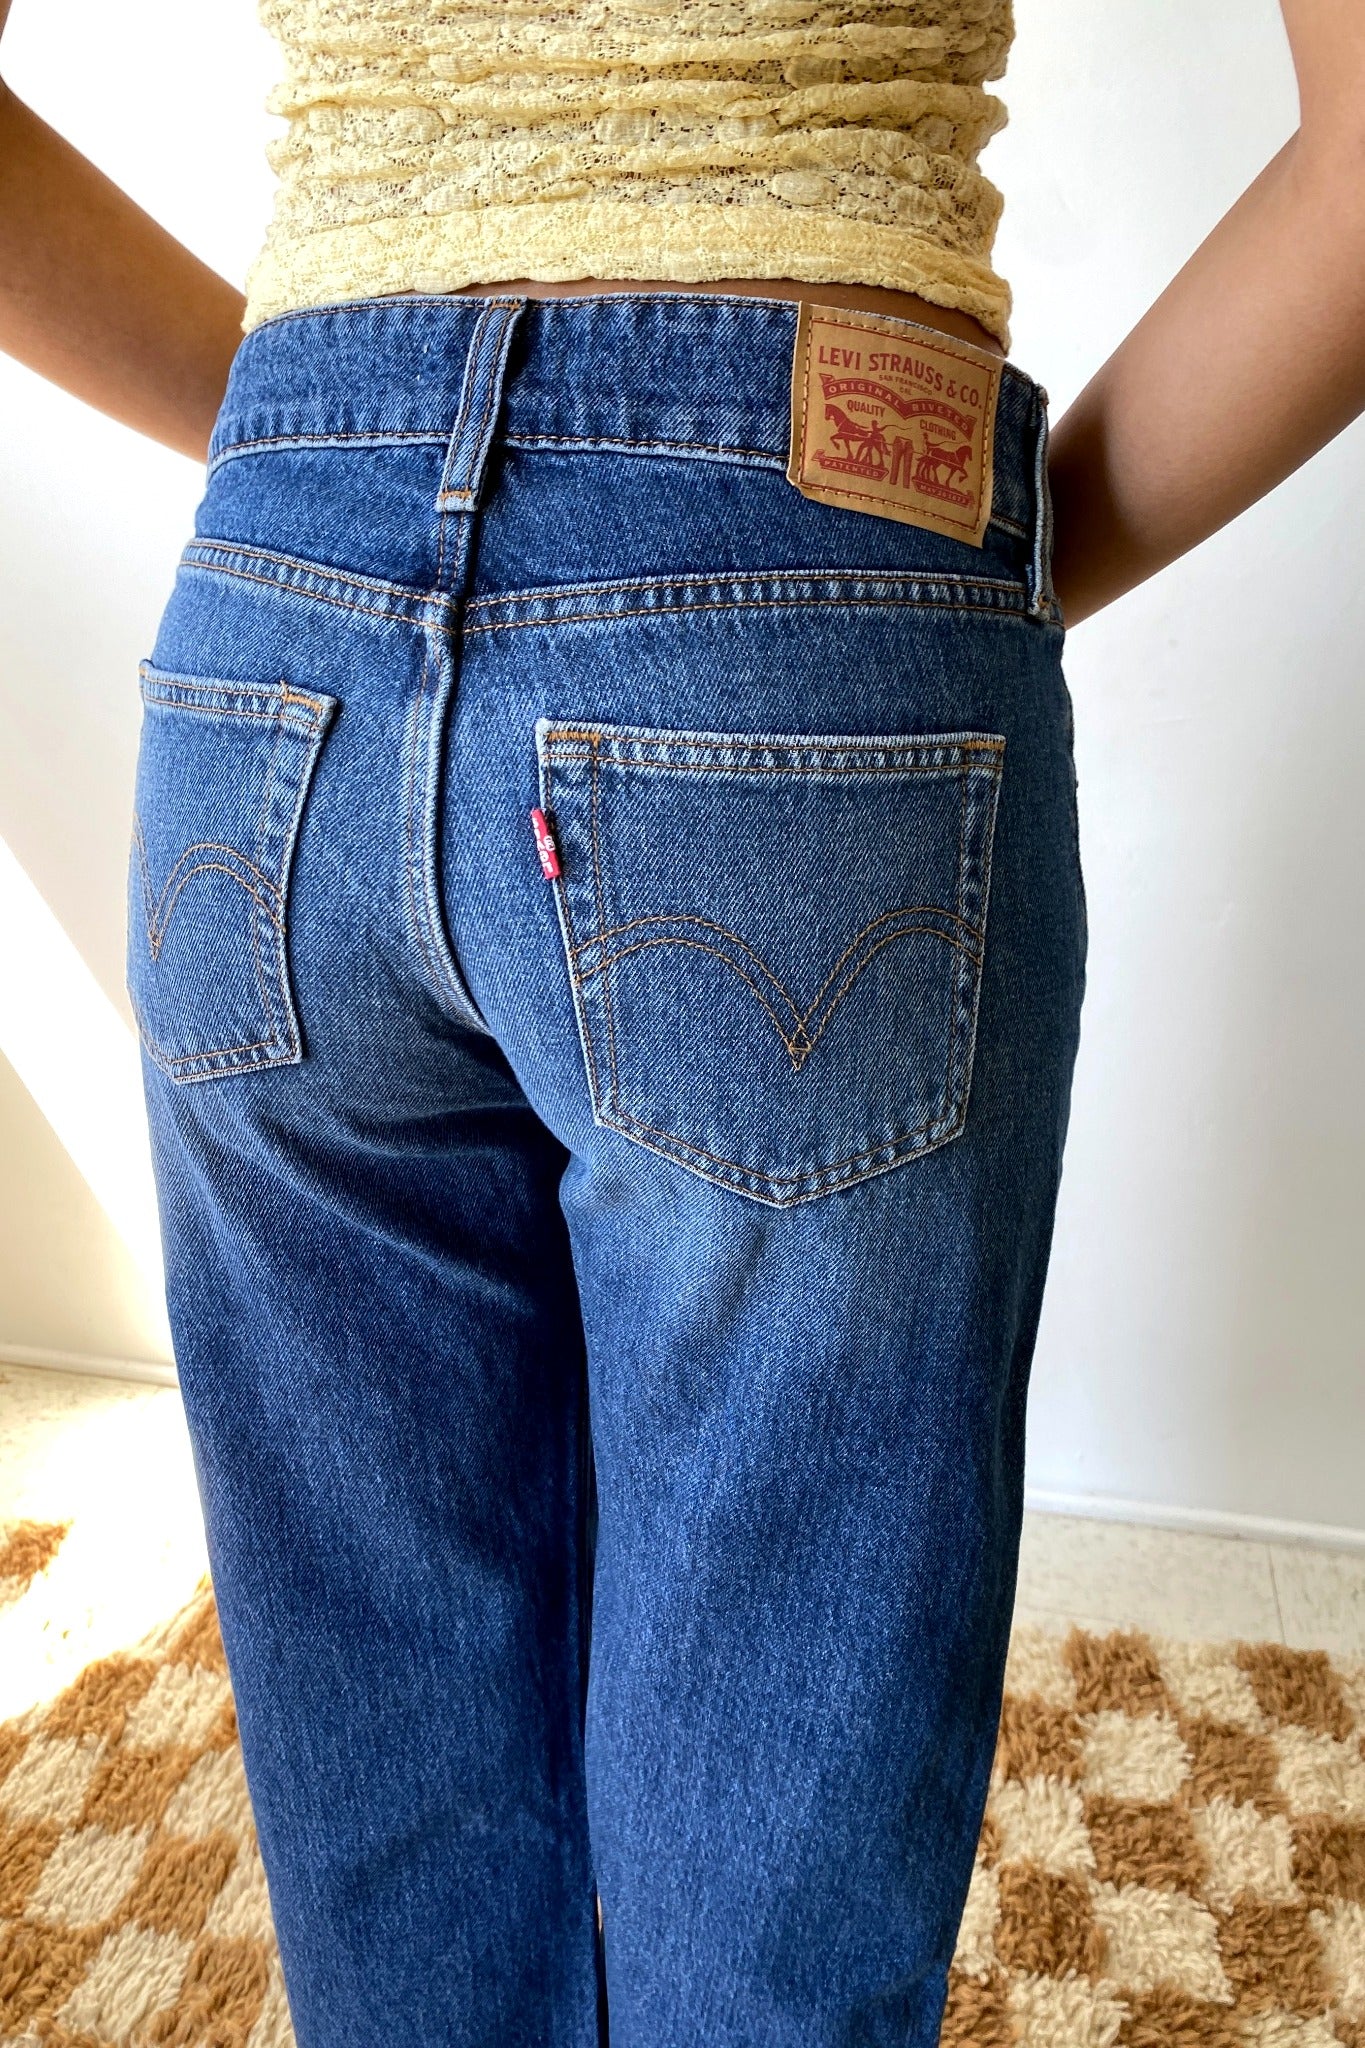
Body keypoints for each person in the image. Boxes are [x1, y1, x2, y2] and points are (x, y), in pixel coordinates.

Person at [2, 5, 1362, 2044]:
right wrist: (917, 578)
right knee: (773, 1869)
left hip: (270, 646)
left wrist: (336, 468)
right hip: (807, 543)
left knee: (387, 1764)